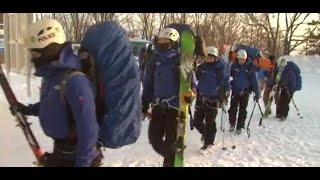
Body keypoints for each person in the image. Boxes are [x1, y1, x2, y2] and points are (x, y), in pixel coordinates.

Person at [10, 19, 104, 167]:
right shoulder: (53, 76)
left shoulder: (75, 81)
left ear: (48, 48)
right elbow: (54, 105)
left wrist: (82, 163)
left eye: (35, 53)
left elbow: (89, 129)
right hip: (62, 152)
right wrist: (27, 109)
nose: (31, 58)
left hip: (79, 156)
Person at [142, 27, 197, 167]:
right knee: (154, 139)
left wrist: (191, 94)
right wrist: (144, 102)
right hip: (158, 105)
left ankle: (170, 162)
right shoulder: (154, 59)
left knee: (171, 140)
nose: (162, 43)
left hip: (175, 107)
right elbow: (148, 83)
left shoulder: (181, 59)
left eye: (166, 41)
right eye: (160, 40)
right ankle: (173, 154)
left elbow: (193, 84)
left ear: (173, 42)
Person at [194, 46, 230, 154]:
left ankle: (209, 143)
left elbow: (226, 84)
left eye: (211, 57)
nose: (208, 59)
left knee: (210, 122)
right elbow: (195, 77)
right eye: (207, 57)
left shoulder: (219, 69)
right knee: (196, 122)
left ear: (215, 58)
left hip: (213, 100)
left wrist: (224, 96)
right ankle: (205, 134)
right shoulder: (202, 67)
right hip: (200, 98)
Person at [228, 49, 260, 134]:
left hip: (245, 92)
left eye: (243, 59)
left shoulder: (250, 68)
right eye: (239, 59)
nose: (241, 61)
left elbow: (254, 81)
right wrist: (229, 84)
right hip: (235, 90)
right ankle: (232, 123)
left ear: (245, 59)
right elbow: (230, 77)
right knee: (232, 109)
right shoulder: (234, 66)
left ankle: (240, 126)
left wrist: (257, 92)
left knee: (242, 110)